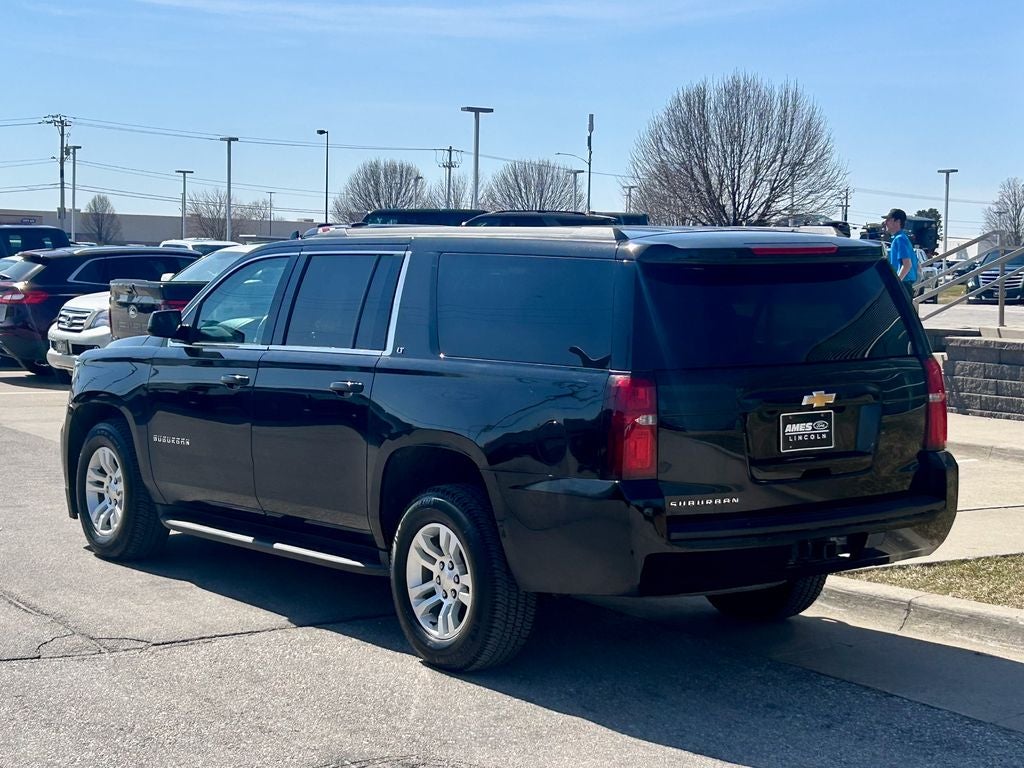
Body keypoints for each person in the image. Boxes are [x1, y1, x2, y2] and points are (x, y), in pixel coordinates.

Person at [884, 208, 917, 300]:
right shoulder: (902, 238)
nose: (885, 222)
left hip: (903, 284)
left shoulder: (900, 239)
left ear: (897, 221)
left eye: (888, 220)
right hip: (905, 284)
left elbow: (907, 264)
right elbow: (918, 266)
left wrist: (896, 284)